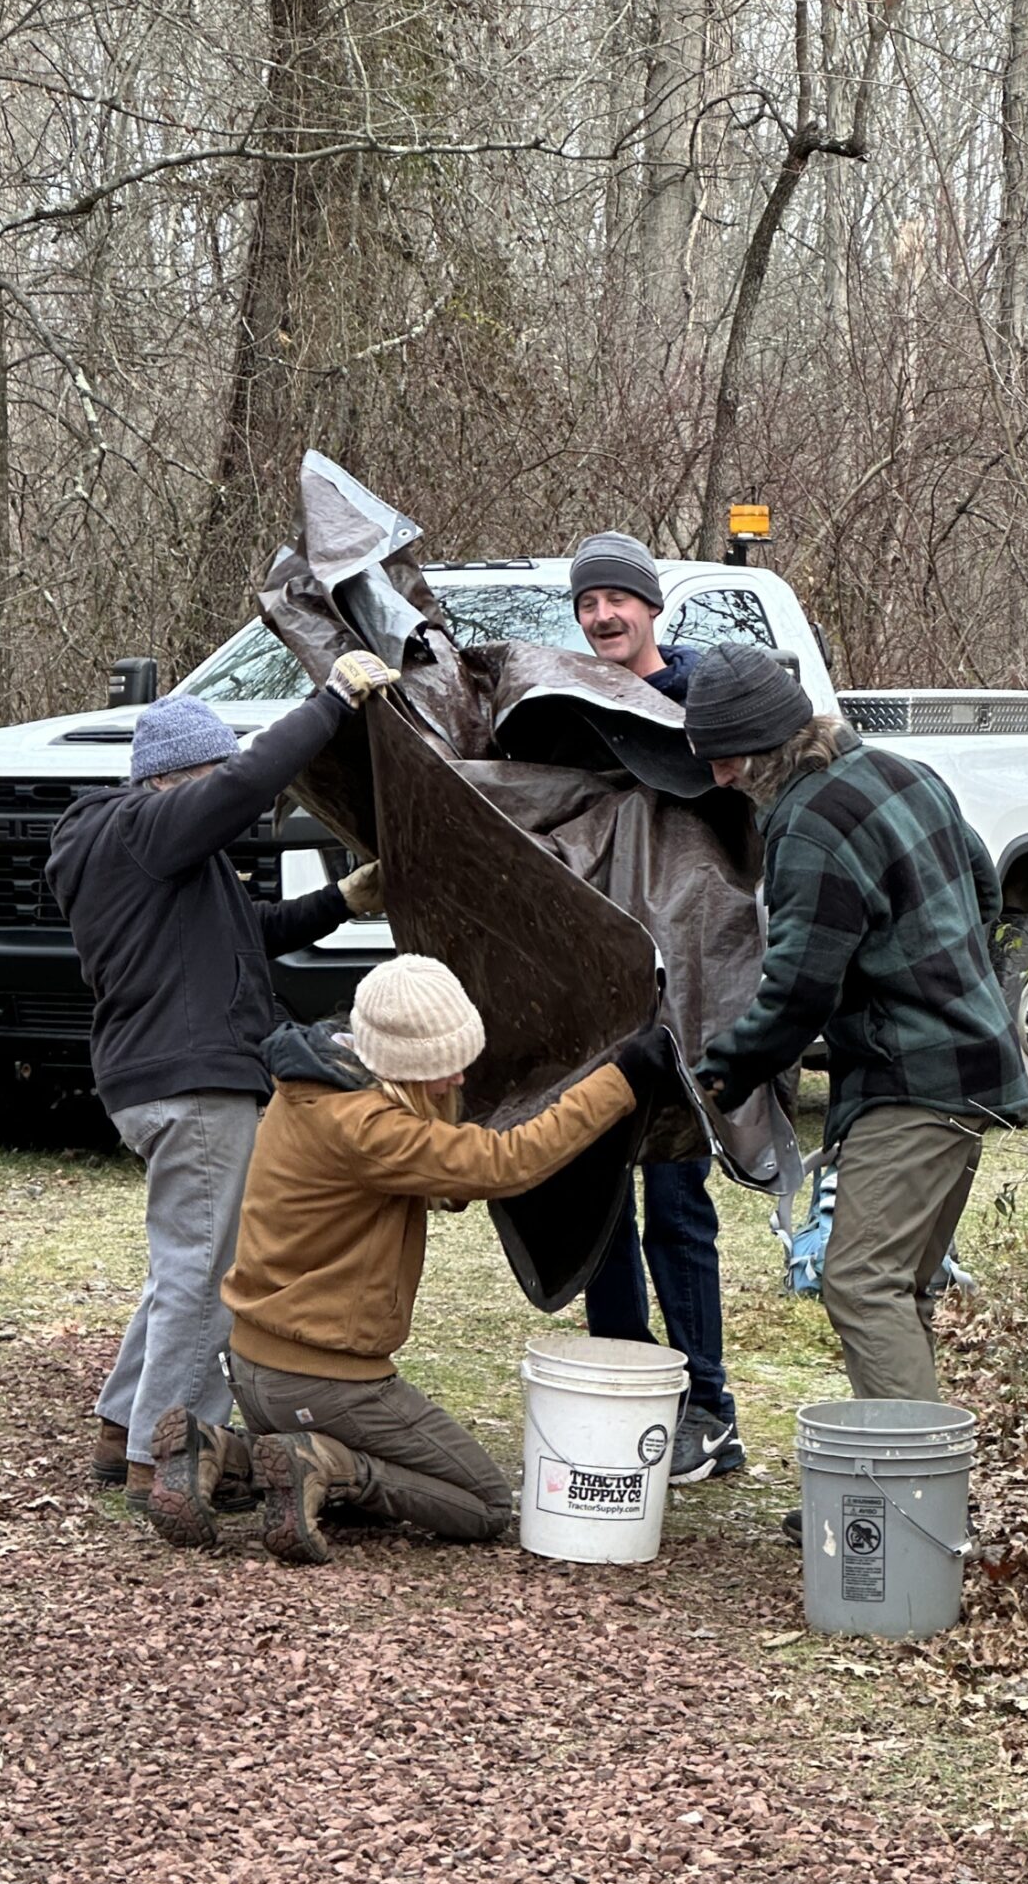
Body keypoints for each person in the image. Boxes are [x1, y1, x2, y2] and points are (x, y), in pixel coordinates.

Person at [143, 954, 669, 1560]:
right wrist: (620, 1080)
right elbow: (508, 1162)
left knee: (401, 1476)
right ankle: (327, 1463)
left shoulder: (316, 1083)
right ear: (401, 1065)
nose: (457, 1082)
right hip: (324, 1380)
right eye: (441, 1070)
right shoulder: (367, 1126)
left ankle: (220, 1451)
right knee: (484, 1503)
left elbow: (419, 1174)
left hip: (257, 1369)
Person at [682, 644, 1028, 1539]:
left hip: (913, 1084)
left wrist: (729, 1066)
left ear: (764, 747)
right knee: (900, 1288)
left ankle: (917, 1514)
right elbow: (986, 885)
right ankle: (880, 1484)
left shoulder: (807, 826)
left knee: (860, 1283)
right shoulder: (903, 773)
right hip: (971, 1067)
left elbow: (800, 985)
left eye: (724, 755)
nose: (720, 775)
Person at [46, 657, 398, 1505]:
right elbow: (241, 784)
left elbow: (252, 930)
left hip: (160, 1074)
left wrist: (345, 901)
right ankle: (167, 1459)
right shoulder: (145, 826)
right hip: (194, 1078)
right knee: (210, 1274)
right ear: (177, 780)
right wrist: (332, 702)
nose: (235, 814)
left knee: (184, 1267)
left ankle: (118, 1429)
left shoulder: (152, 857)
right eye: (210, 785)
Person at [566, 528, 744, 1484]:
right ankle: (628, 1391)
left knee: (677, 1203)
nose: (601, 617)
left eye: (615, 601)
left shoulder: (707, 700)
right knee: (599, 1201)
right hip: (597, 1002)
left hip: (690, 997)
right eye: (588, 604)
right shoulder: (569, 708)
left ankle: (707, 1407)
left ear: (649, 607)